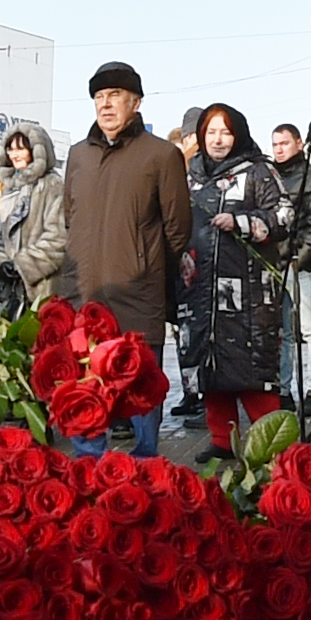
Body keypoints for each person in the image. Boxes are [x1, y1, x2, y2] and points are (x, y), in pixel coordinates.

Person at [64, 62, 192, 457]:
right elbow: (70, 216)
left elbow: (177, 228)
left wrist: (145, 266)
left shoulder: (162, 155)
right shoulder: (78, 155)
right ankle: (89, 478)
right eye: (99, 98)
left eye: (115, 96)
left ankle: (144, 478)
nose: (105, 105)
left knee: (140, 396)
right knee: (86, 400)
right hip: (85, 295)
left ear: (135, 102)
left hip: (139, 295)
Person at [178, 105, 291, 463]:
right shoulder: (190, 176)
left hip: (250, 294)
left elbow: (284, 216)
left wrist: (242, 222)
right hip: (200, 289)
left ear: (238, 134)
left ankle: (274, 447)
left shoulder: (259, 171)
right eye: (210, 132)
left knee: (251, 368)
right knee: (210, 365)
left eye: (224, 132)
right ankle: (221, 441)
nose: (217, 139)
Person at [271, 123, 311, 416]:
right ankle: (283, 390)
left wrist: (300, 259)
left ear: (298, 142)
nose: (279, 149)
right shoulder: (271, 179)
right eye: (275, 145)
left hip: (302, 265)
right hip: (275, 265)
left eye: (284, 143)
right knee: (282, 332)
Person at [0, 122, 66, 318]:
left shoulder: (52, 185)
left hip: (44, 289)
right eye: (11, 149)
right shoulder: (11, 188)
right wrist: (1, 262)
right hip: (11, 291)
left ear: (37, 150)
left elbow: (58, 238)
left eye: (21, 148)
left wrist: (22, 265)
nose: (15, 154)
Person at [170, 104, 206, 419]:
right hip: (180, 262)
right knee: (183, 334)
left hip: (203, 260)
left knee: (199, 332)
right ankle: (190, 391)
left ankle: (201, 392)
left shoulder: (207, 167)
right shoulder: (174, 167)